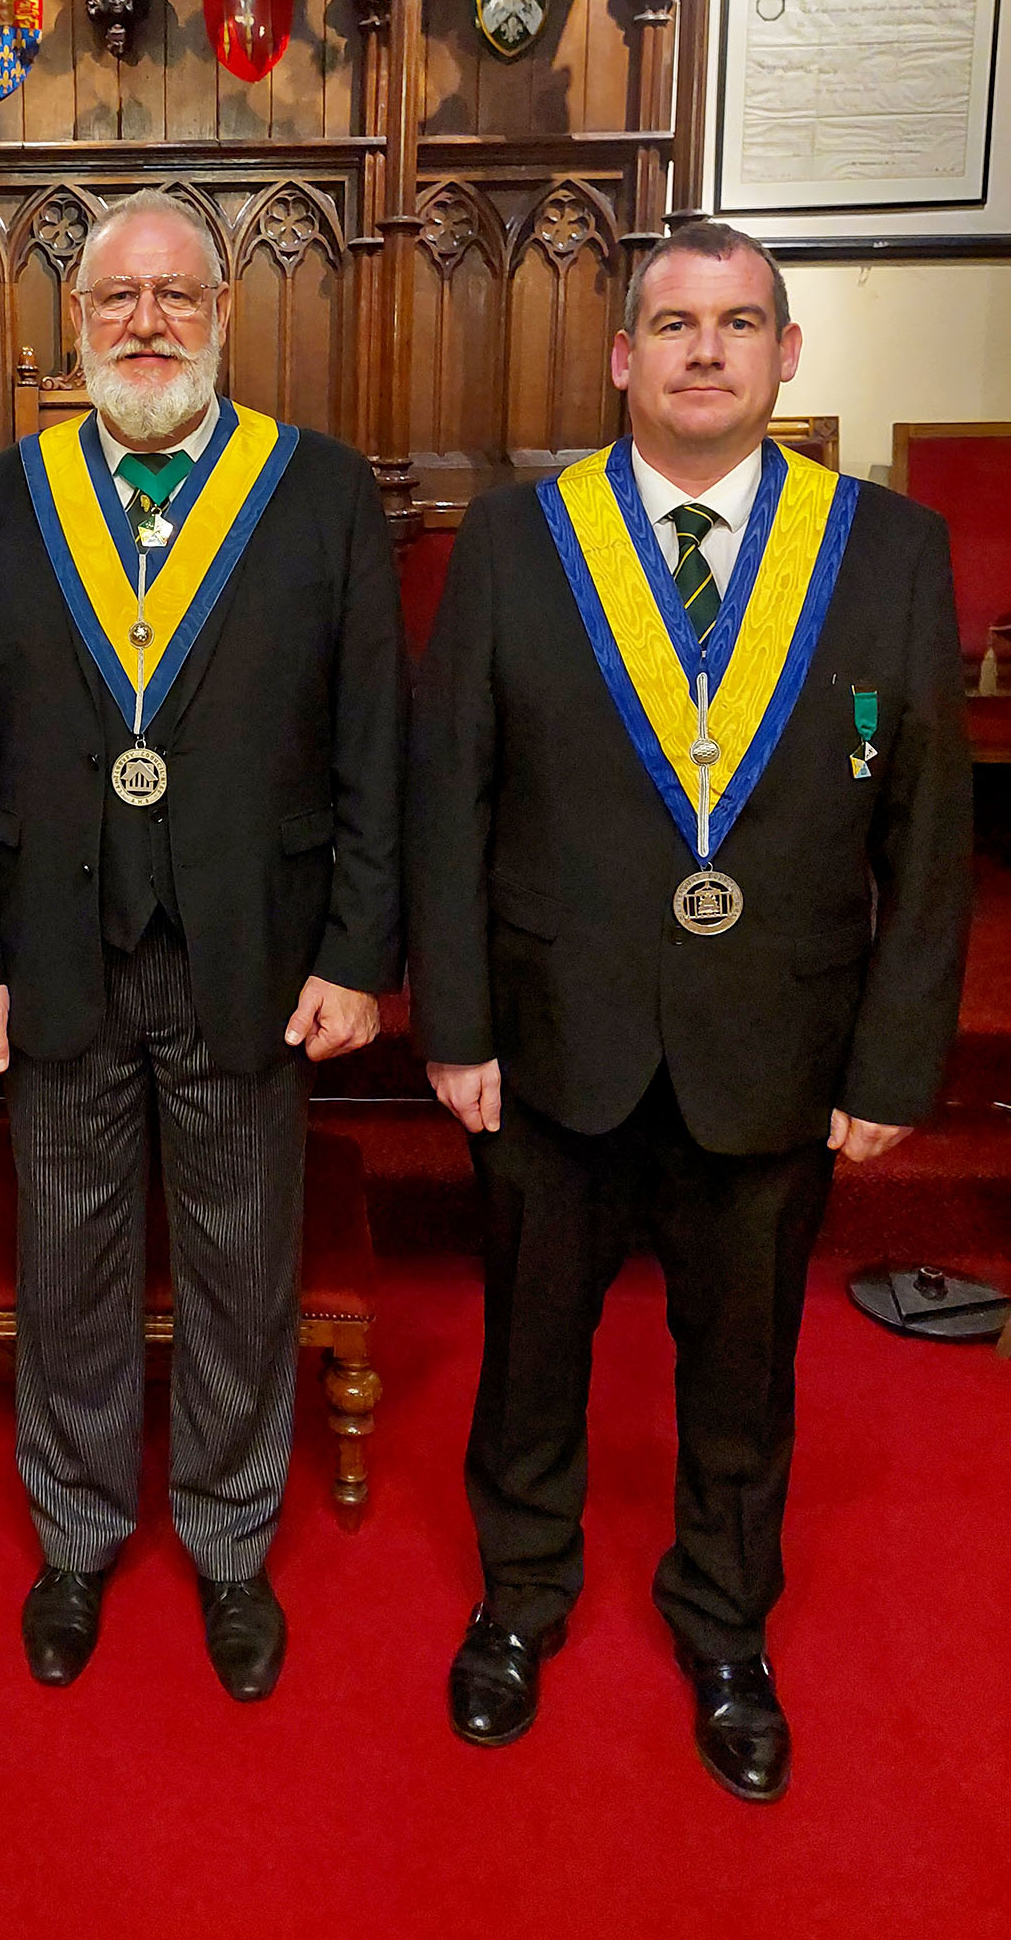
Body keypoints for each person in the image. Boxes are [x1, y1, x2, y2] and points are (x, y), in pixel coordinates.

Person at [410, 218, 971, 1801]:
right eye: (673, 324)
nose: (705, 351)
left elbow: (925, 825)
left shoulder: (884, 552)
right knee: (531, 1354)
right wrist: (452, 1025)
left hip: (775, 1048)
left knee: (744, 1367)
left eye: (739, 324)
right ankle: (519, 1601)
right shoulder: (521, 543)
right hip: (551, 1040)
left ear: (788, 355)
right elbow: (448, 793)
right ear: (622, 358)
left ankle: (726, 1624)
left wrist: (897, 1056)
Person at [0, 189, 404, 1702]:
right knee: (64, 1254)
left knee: (243, 1256)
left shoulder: (320, 491)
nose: (147, 323)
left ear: (223, 317)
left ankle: (228, 1537)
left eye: (176, 297)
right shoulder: (1, 499)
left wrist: (355, 950)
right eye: (117, 301)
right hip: (57, 940)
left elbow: (371, 746)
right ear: (76, 327)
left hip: (253, 947)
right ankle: (75, 1536)